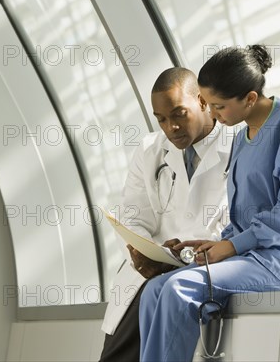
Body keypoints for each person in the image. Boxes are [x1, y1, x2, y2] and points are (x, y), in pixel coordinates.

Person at [138, 45, 280, 362]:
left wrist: (231, 248)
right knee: (154, 291)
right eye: (207, 105)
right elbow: (245, 219)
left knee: (179, 289)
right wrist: (215, 243)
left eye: (218, 107)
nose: (213, 116)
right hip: (256, 255)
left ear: (249, 98)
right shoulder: (243, 139)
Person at [99, 67, 235, 361]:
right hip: (147, 279)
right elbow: (133, 215)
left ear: (202, 101)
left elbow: (233, 226)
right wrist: (142, 251)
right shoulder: (150, 150)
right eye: (161, 119)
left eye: (178, 114)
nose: (170, 127)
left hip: (198, 276)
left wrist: (184, 256)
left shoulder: (238, 149)